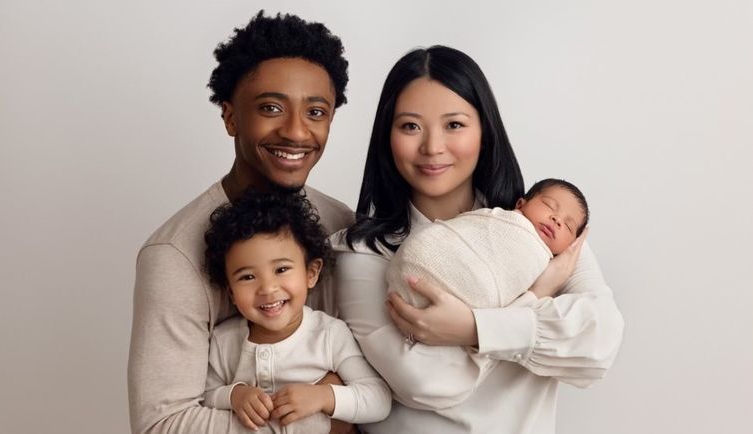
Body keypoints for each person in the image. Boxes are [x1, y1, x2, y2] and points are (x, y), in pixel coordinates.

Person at [330, 46, 624, 433]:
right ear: (387, 137)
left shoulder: (541, 228)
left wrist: (473, 329)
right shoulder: (363, 254)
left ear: (485, 132)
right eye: (410, 126)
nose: (432, 147)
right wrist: (535, 297)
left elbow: (598, 343)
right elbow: (424, 384)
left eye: (454, 125)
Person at [128, 11, 355, 434]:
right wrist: (323, 420)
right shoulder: (174, 256)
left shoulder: (343, 226)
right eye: (271, 107)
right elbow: (161, 424)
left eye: (316, 112)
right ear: (231, 117)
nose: (296, 132)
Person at [201, 190, 390, 433]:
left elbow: (378, 399)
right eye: (247, 277)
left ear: (311, 273)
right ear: (231, 293)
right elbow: (205, 397)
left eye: (281, 270)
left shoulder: (329, 334)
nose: (268, 289)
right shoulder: (223, 341)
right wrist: (233, 396)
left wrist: (323, 397)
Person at [387, 178, 590, 310]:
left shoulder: (552, 266)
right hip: (420, 259)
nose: (557, 219)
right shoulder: (497, 219)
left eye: (568, 225)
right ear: (520, 204)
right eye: (549, 205)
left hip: (469, 300)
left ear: (570, 246)